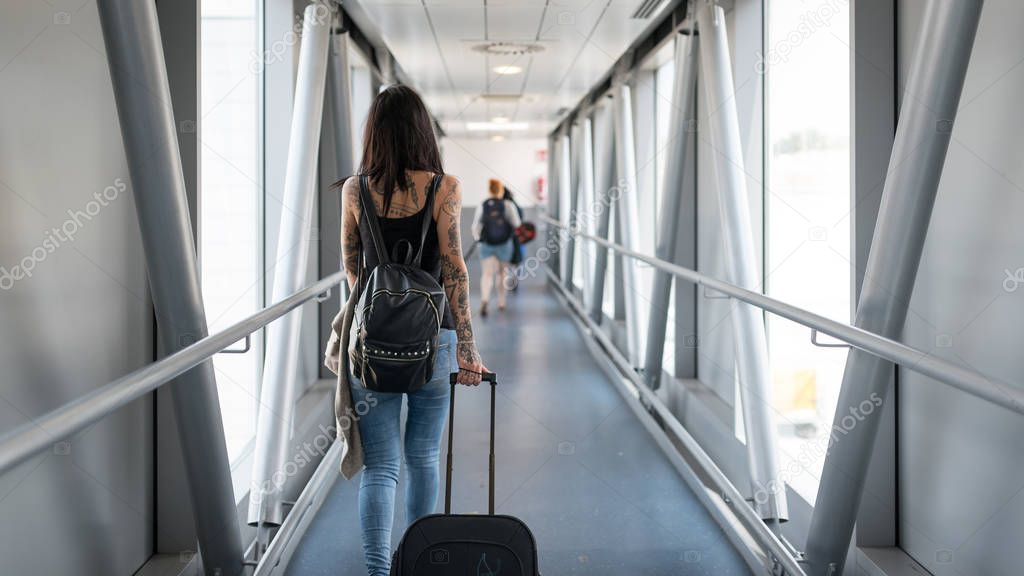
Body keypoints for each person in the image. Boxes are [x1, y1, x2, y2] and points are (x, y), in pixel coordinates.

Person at [337, 84, 489, 576]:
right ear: (423, 129)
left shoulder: (355, 189)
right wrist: (467, 348)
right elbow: (455, 269)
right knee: (422, 456)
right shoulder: (445, 187)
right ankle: (421, 564)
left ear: (374, 132)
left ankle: (378, 571)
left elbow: (353, 269)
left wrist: (385, 306)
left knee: (380, 468)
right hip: (436, 337)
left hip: (372, 342)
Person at [473, 179, 521, 316]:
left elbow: (476, 226)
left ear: (490, 190)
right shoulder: (508, 205)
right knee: (502, 273)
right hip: (504, 244)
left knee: (487, 274)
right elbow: (517, 224)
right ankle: (501, 302)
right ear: (501, 190)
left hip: (486, 244)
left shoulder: (483, 205)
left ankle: (485, 300)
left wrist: (479, 239)